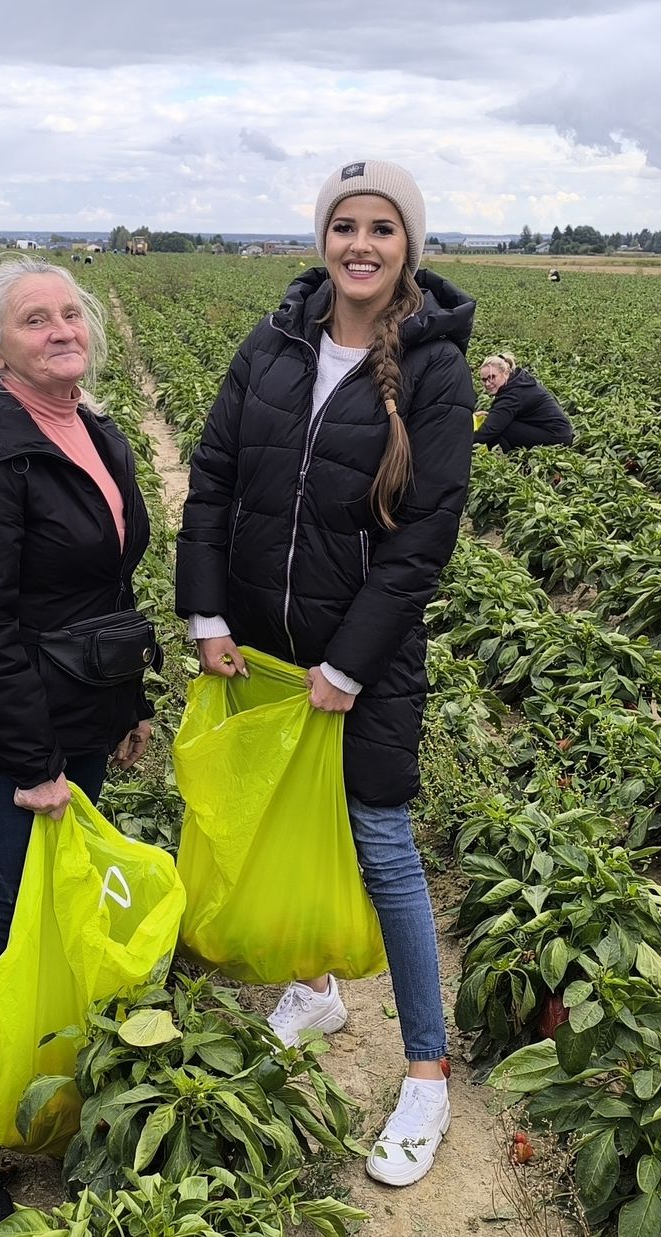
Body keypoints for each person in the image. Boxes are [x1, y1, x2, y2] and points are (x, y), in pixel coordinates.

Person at [176, 159, 473, 1187]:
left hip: (368, 656)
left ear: (408, 247)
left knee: (382, 845)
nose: (360, 243)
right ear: (322, 238)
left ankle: (427, 1074)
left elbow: (424, 537)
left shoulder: (433, 373)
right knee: (280, 819)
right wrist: (207, 608)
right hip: (262, 641)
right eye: (344, 224)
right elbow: (212, 479)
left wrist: (350, 663)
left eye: (381, 228)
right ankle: (316, 986)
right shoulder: (273, 345)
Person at [0, 255, 156, 1236]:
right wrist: (37, 762)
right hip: (21, 730)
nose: (60, 329)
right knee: (10, 917)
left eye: (70, 313)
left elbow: (104, 590)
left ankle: (38, 1071)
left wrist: (126, 702)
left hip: (81, 705)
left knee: (54, 912)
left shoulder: (91, 427)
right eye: (33, 320)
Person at [473, 352, 574, 451]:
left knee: (500, 430)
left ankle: (505, 458)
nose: (487, 383)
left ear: (505, 372)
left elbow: (489, 431)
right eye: (484, 379)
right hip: (562, 432)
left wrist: (461, 440)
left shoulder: (512, 395)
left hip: (556, 436)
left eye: (492, 377)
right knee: (499, 423)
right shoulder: (518, 381)